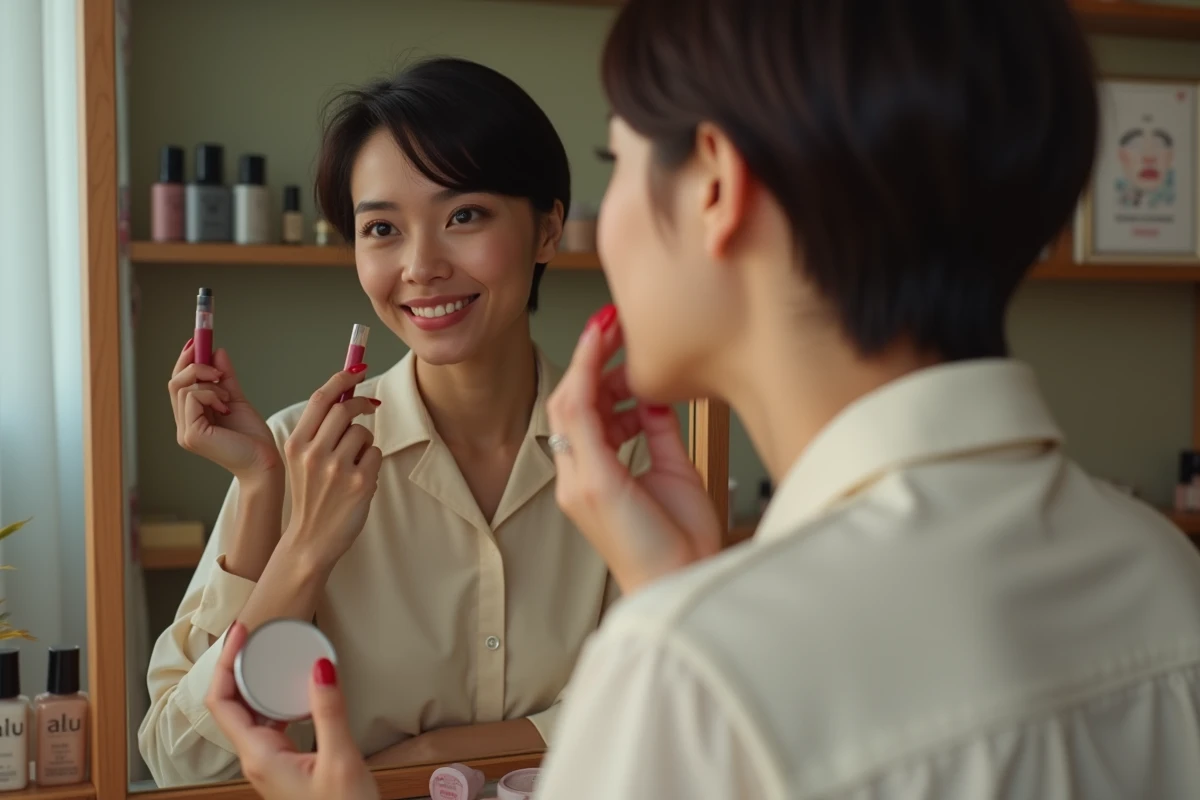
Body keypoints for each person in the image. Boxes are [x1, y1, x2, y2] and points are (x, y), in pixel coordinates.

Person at [207, 0, 1200, 797]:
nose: (609, 223)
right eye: (380, 228)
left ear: (715, 186)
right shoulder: (1167, 572)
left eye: (619, 165)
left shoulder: (693, 670)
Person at [139, 57, 647, 787]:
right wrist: (296, 538)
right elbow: (183, 765)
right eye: (381, 228)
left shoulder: (623, 454)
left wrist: (424, 758)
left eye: (464, 216)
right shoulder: (296, 454)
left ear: (547, 229)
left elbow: (659, 708)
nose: (421, 265)